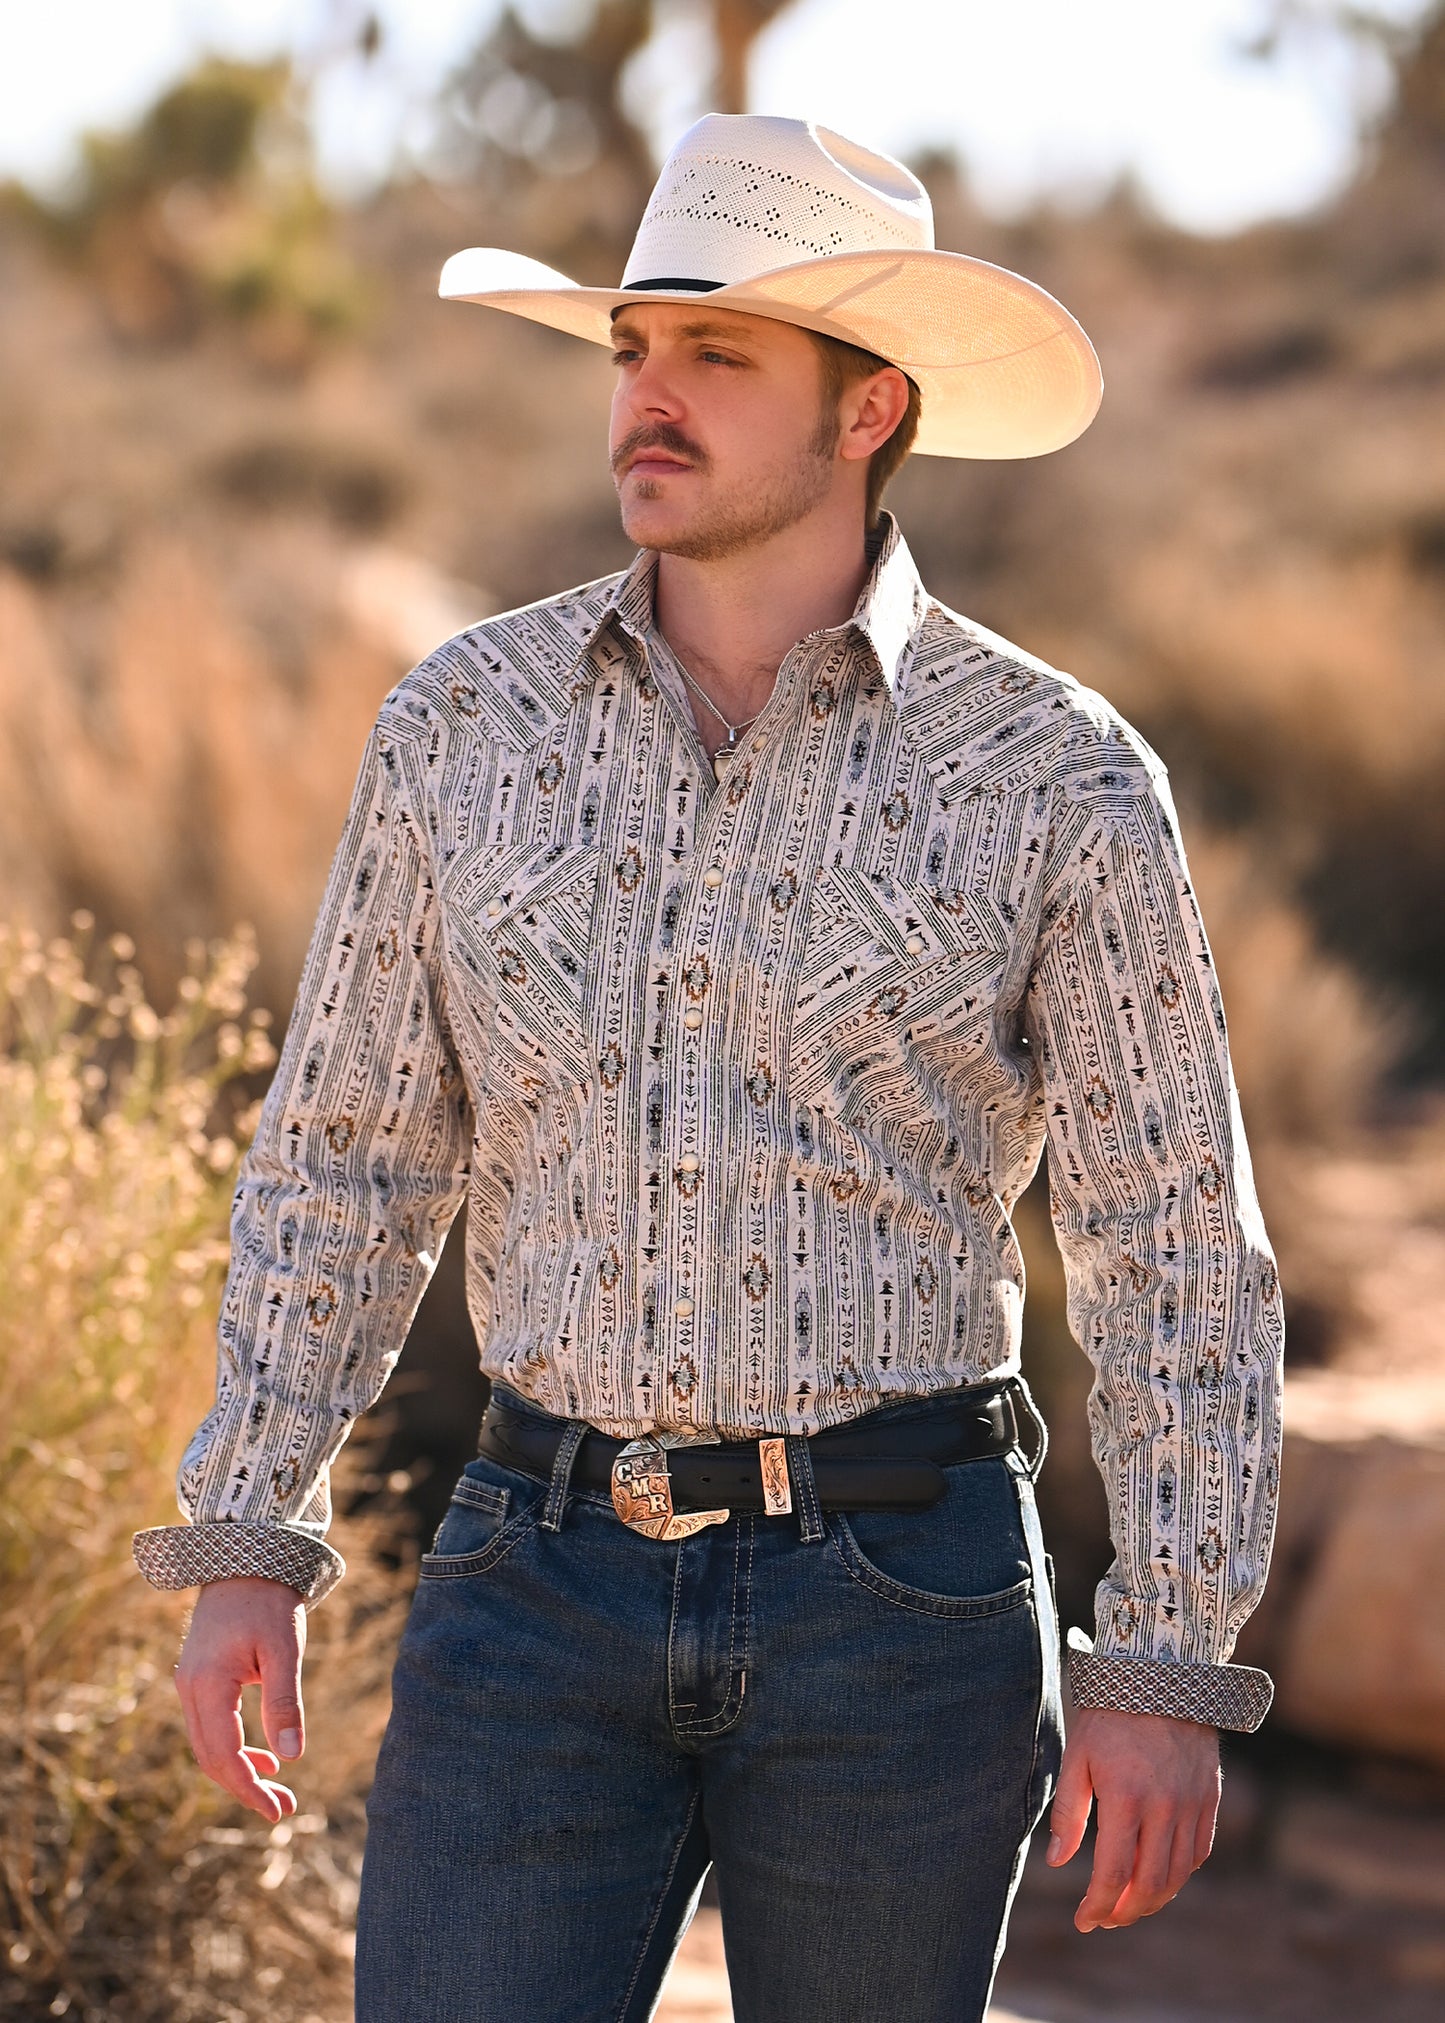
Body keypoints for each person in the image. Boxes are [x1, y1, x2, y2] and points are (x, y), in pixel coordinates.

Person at [135, 114, 1284, 2022]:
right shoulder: (460, 729)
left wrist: (1163, 1659)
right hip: (530, 1580)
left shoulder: (1060, 779)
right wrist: (247, 1529)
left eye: (716, 356)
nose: (645, 402)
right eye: (631, 352)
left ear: (866, 411)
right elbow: (344, 1156)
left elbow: (1171, 1233)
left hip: (901, 1607)